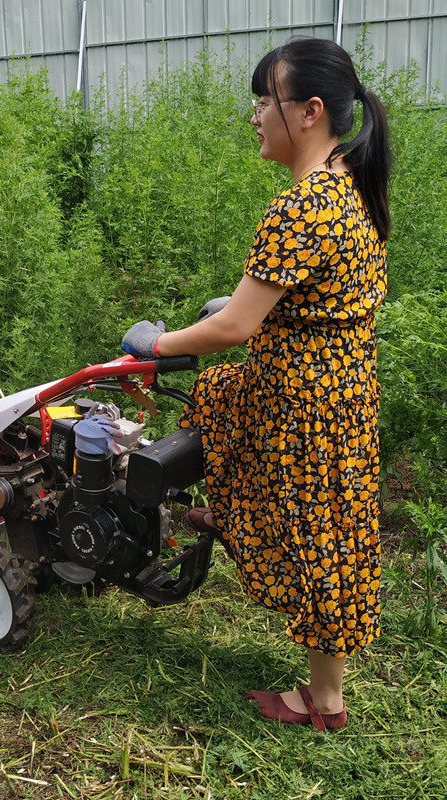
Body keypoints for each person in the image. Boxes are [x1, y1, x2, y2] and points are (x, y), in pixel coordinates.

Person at [122, 37, 390, 732]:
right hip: (336, 389)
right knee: (221, 405)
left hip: (303, 403)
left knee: (320, 539)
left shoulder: (302, 207)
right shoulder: (347, 185)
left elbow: (236, 328)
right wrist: (239, 308)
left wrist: (159, 343)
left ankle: (323, 702)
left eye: (263, 101)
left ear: (307, 112)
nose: (254, 116)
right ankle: (242, 515)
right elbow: (299, 298)